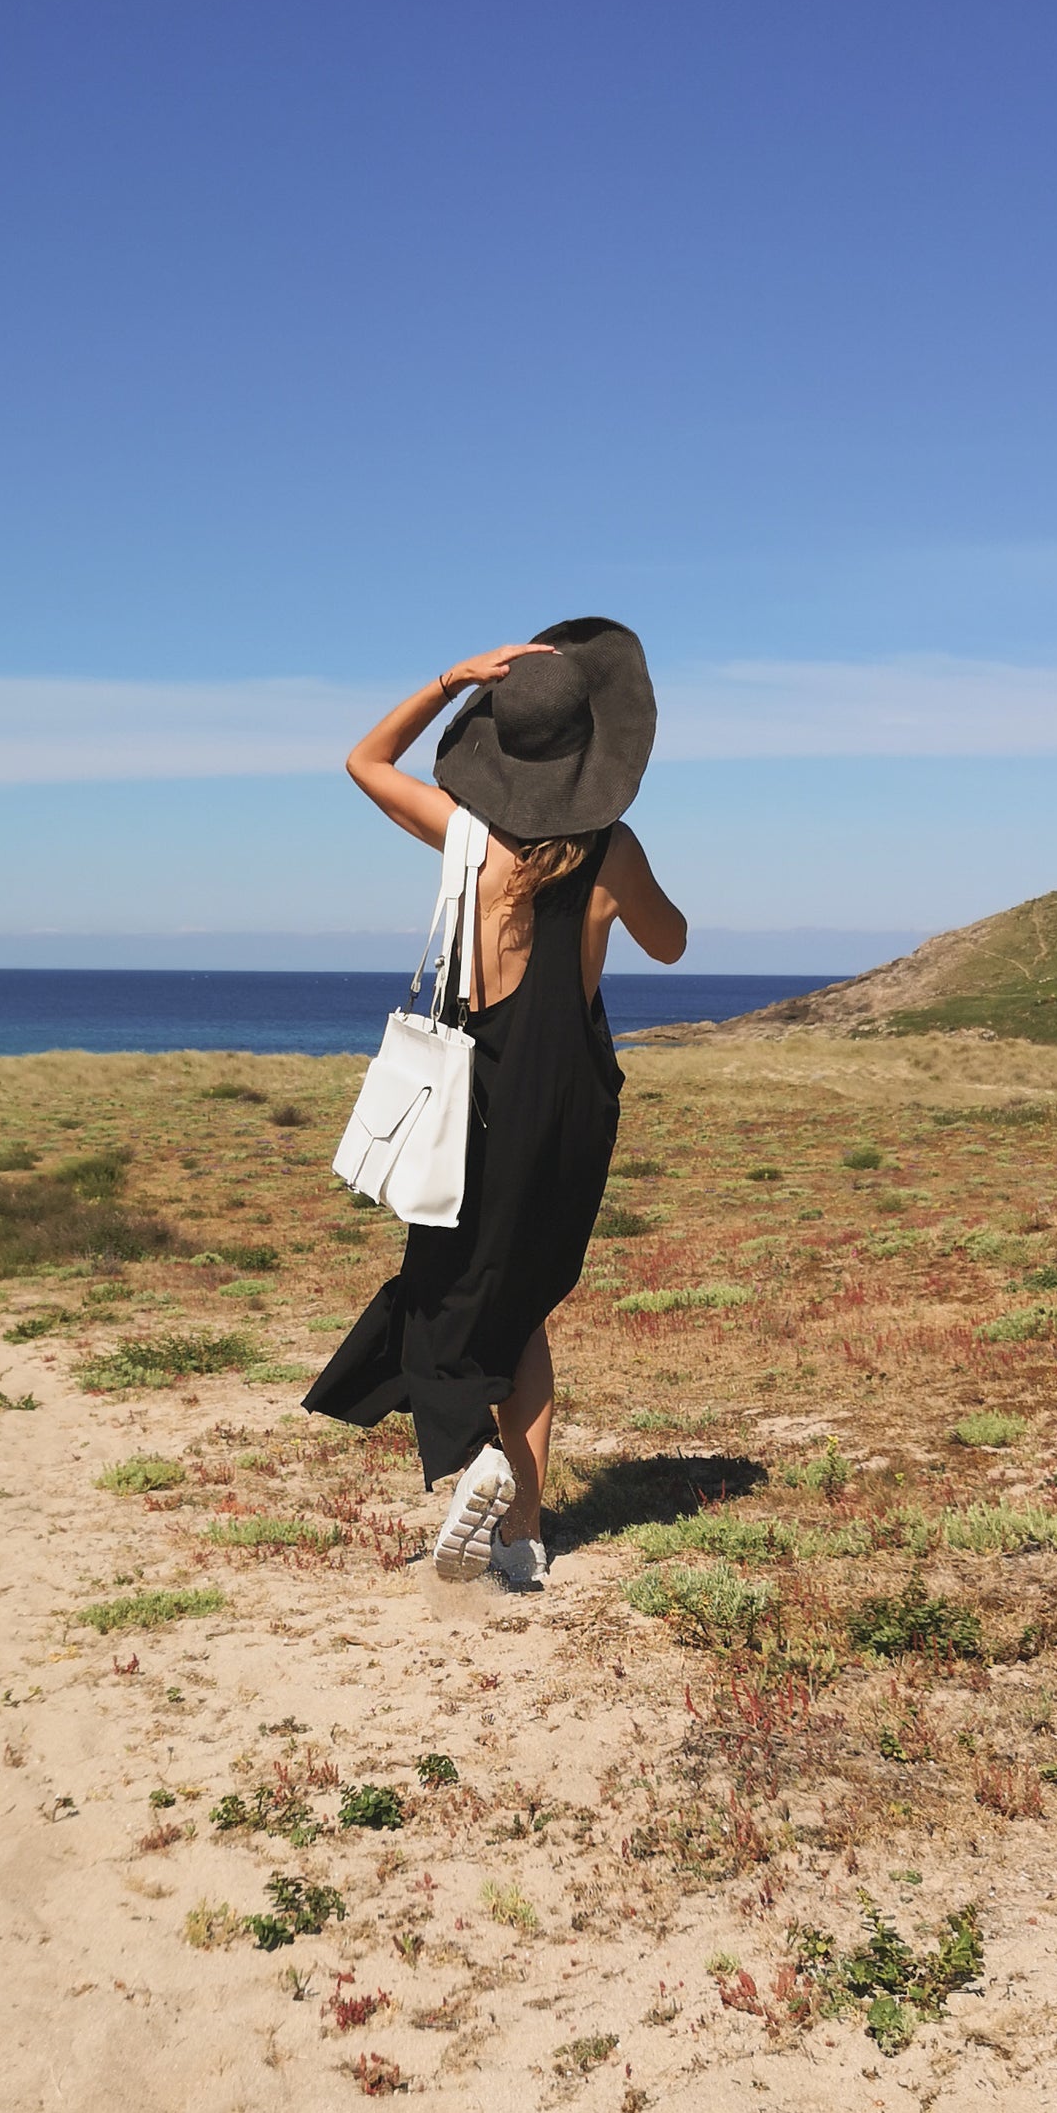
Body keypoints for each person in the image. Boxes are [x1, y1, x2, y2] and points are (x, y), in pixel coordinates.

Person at [304, 620, 687, 1591]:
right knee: (523, 1309)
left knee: (445, 1284)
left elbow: (362, 758)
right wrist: (624, 880)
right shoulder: (613, 848)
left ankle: (474, 1449)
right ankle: (520, 1536)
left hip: (481, 1084)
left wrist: (446, 678)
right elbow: (672, 944)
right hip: (574, 1095)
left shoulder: (465, 835)